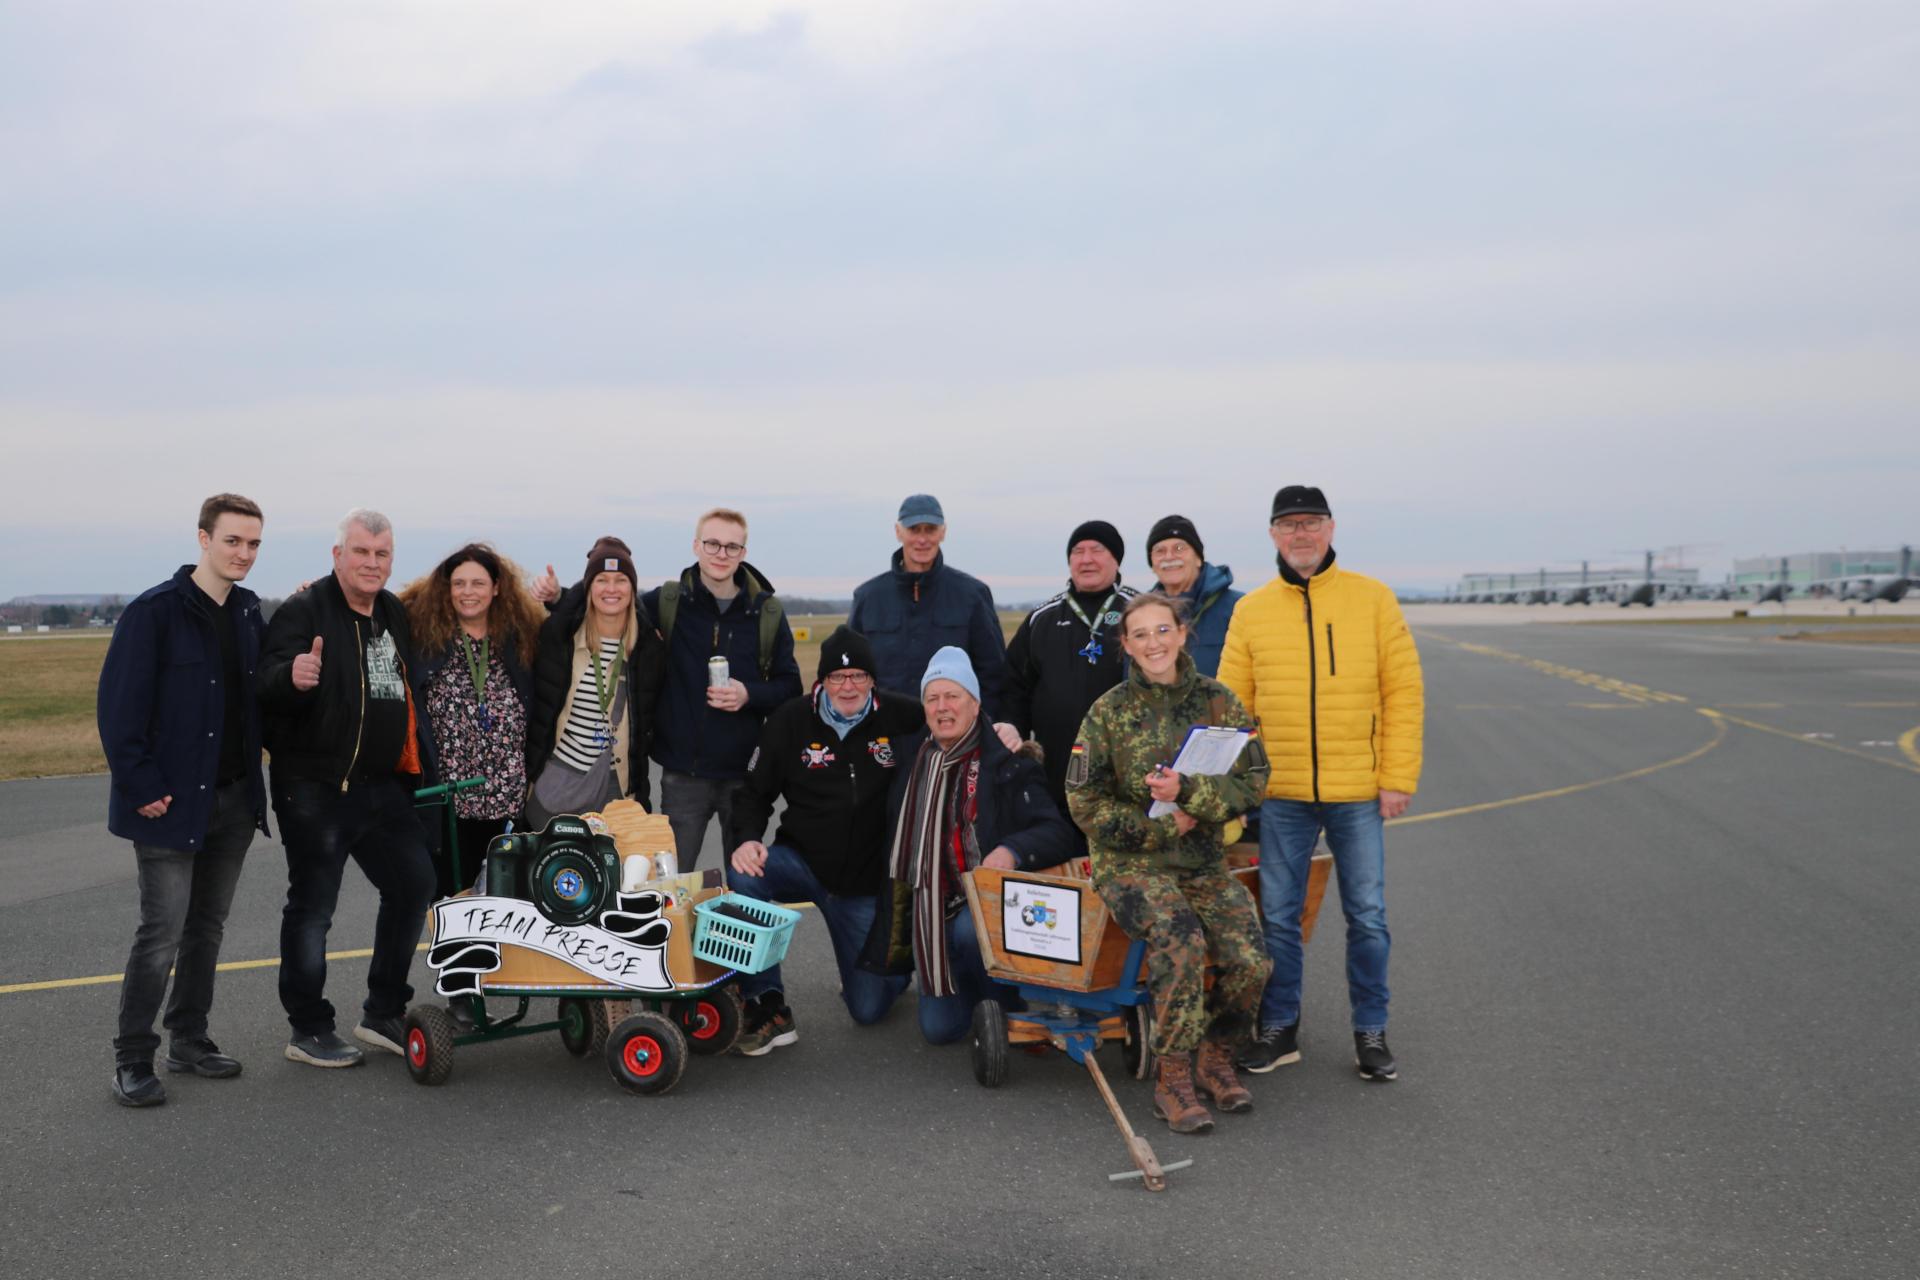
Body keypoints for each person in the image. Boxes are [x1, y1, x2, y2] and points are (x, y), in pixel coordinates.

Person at [1218, 485, 1424, 1082]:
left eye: (1311, 523)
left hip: (1357, 791)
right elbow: (1231, 708)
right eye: (1288, 525)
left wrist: (1396, 776)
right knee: (1278, 917)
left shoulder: (1373, 599)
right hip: (1281, 796)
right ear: (1273, 536)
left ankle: (1371, 1031)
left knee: (1367, 915)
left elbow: (1402, 692)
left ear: (1331, 529)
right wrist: (1237, 786)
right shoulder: (1252, 610)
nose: (1300, 534)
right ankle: (1280, 1028)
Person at [1066, 594, 1271, 1134]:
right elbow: (1084, 801)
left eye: (1163, 630)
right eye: (1140, 635)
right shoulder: (1108, 711)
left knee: (1251, 957)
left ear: (1182, 633)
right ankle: (1172, 1078)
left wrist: (1191, 796)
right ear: (1127, 646)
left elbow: (1254, 780)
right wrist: (1159, 825)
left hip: (1200, 861)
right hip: (1130, 863)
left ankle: (1216, 1056)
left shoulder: (1219, 702)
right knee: (1181, 941)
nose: (1153, 643)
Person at [96, 493, 270, 1105]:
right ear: (203, 539)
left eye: (252, 543)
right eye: (232, 541)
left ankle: (189, 1039)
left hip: (233, 803)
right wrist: (141, 788)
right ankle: (132, 1059)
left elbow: (261, 703)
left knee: (207, 930)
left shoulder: (249, 614)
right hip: (170, 806)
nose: (243, 553)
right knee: (161, 933)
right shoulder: (156, 613)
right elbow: (119, 712)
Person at [259, 508, 437, 1068]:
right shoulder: (303, 609)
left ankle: (382, 1008)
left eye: (381, 554)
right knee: (313, 908)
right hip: (316, 787)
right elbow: (265, 682)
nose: (371, 562)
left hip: (382, 787)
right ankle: (308, 1028)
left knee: (414, 886)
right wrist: (292, 678)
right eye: (360, 552)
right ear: (337, 555)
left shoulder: (391, 612)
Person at [862, 647, 1078, 1045]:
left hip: (987, 905)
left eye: (953, 696)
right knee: (939, 1031)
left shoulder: (1007, 763)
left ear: (975, 704)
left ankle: (1003, 1003)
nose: (943, 707)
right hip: (929, 912)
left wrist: (1011, 850)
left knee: (967, 930)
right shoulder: (913, 759)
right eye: (933, 698)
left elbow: (1057, 832)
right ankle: (965, 987)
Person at [725, 626, 920, 1054]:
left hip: (862, 885)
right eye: (837, 677)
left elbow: (954, 718)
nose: (847, 687)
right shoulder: (790, 720)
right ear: (823, 680)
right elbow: (752, 793)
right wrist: (747, 839)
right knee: (744, 876)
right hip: (802, 862)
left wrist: (999, 728)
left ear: (871, 679)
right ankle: (767, 1003)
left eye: (858, 677)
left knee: (868, 1008)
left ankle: (892, 972)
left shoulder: (901, 715)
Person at [643, 508, 801, 869]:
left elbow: (790, 687)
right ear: (696, 546)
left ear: (744, 553)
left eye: (732, 547)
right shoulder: (667, 602)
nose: (721, 554)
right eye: (713, 544)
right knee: (673, 883)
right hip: (683, 773)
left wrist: (749, 695)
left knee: (743, 883)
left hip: (743, 774)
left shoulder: (767, 613)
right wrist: (558, 598)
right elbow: (609, 609)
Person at [397, 542, 543, 897]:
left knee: (508, 908)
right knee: (450, 904)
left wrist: (559, 595)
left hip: (508, 800)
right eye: (458, 583)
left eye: (478, 583)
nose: (467, 592)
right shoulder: (423, 636)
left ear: (496, 588)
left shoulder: (521, 637)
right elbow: (369, 610)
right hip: (449, 804)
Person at [1005, 520, 1139, 827]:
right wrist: (1016, 738)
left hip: (1123, 775)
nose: (1086, 558)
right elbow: (1013, 687)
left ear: (1116, 559)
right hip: (1054, 772)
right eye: (1078, 551)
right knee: (1060, 858)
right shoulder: (1043, 618)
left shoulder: (1139, 611)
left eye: (1096, 550)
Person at [524, 536, 666, 825]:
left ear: (632, 588)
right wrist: (556, 596)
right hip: (559, 780)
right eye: (601, 579)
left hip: (618, 786)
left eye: (621, 580)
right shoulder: (560, 637)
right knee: (555, 869)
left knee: (617, 869)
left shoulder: (648, 646)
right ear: (588, 587)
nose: (611, 589)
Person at [847, 494, 1009, 713]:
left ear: (943, 532)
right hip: (886, 736)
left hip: (953, 735)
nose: (922, 540)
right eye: (914, 530)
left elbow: (993, 675)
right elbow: (850, 674)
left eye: (930, 529)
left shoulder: (972, 595)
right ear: (898, 532)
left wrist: (987, 731)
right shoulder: (868, 598)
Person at [1145, 514, 1243, 678]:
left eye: (1179, 548)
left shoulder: (1239, 608)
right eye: (1160, 551)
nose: (1169, 557)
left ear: (1198, 558)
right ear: (1152, 564)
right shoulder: (1141, 615)